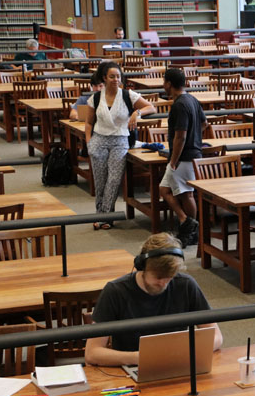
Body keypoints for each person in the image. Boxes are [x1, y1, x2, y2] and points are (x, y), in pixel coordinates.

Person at [85, 232, 223, 367]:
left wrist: (185, 353)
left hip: (176, 363)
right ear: (142, 266)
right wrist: (140, 358)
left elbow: (216, 336)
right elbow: (92, 353)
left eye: (169, 277)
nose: (163, 283)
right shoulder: (115, 291)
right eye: (158, 277)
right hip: (131, 367)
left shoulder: (185, 285)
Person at [84, 61, 155, 230]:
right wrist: (89, 143)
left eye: (118, 76)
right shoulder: (95, 97)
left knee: (114, 179)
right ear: (104, 78)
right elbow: (88, 123)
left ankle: (106, 217)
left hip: (120, 141)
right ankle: (100, 215)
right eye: (112, 76)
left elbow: (151, 107)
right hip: (99, 141)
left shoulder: (128, 95)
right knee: (100, 181)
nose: (116, 79)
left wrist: (136, 113)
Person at [159, 68, 205, 247]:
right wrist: (197, 138)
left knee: (187, 194)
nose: (163, 85)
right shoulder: (192, 99)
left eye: (164, 82)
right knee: (164, 189)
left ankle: (191, 231)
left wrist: (174, 160)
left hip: (184, 157)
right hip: (190, 153)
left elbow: (180, 136)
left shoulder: (179, 105)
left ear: (169, 84)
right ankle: (186, 220)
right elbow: (204, 123)